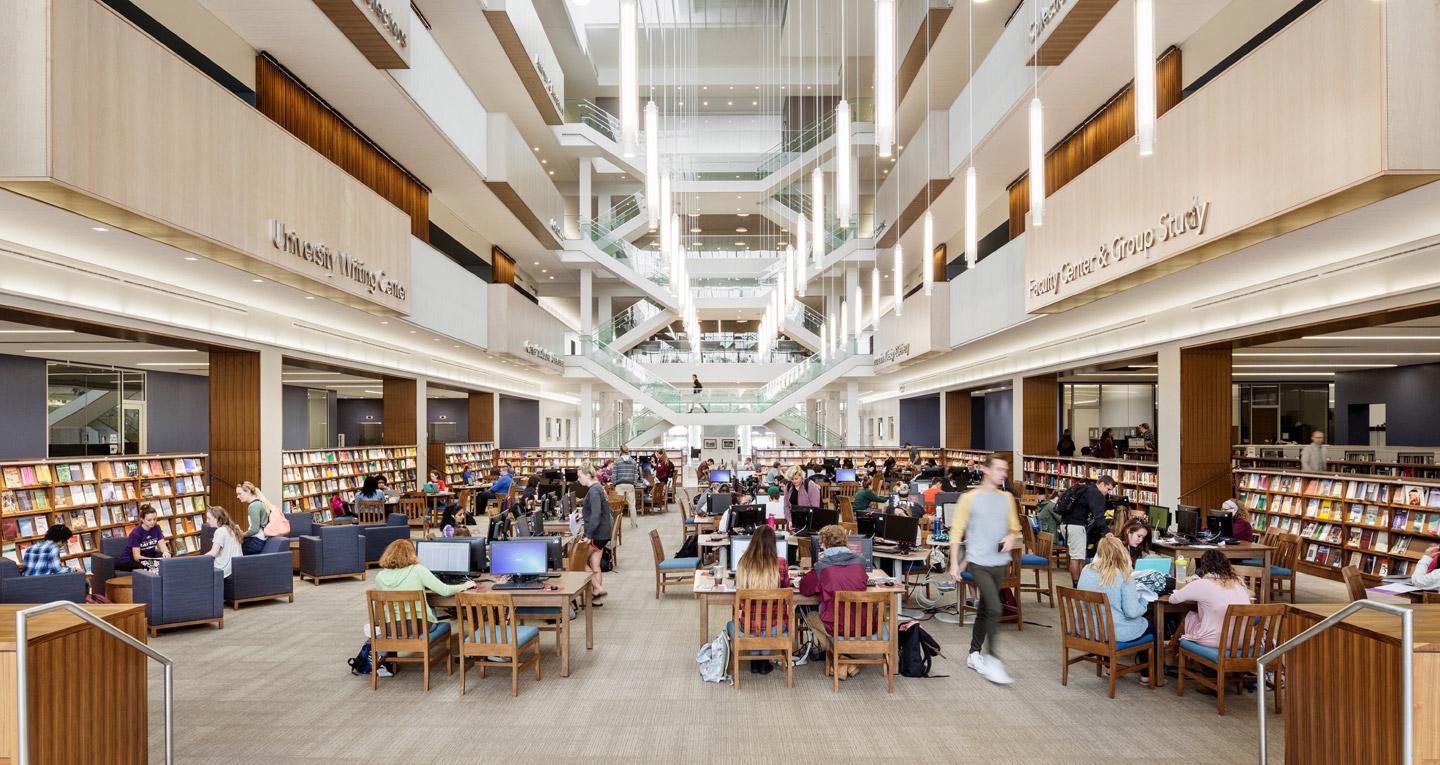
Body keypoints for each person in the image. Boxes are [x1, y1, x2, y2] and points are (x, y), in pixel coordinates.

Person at [948, 455, 1021, 685]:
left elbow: (1014, 527)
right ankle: (992, 659)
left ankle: (973, 653)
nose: (1004, 474)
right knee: (995, 606)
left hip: (999, 561)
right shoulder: (969, 498)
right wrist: (953, 563)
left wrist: (1010, 536)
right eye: (1000, 469)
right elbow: (956, 532)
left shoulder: (1007, 498)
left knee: (986, 608)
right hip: (978, 560)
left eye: (1006, 470)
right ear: (986, 470)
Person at [373, 538, 475, 672]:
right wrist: (466, 585)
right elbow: (444, 591)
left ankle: (388, 662)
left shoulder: (380, 576)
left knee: (426, 608)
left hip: (390, 627)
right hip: (419, 626)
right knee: (434, 616)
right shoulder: (418, 570)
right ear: (411, 554)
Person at [798, 524, 869, 680]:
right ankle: (846, 660)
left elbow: (804, 589)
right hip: (864, 624)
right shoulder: (860, 562)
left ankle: (840, 658)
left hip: (837, 626)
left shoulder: (822, 566)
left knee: (809, 614)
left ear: (824, 544)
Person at [733, 524, 790, 675]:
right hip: (775, 626)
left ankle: (755, 661)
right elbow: (785, 591)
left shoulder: (743, 563)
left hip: (748, 627)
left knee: (743, 624)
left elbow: (740, 601)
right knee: (771, 623)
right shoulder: (781, 563)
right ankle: (764, 660)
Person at [1167, 550, 1253, 648]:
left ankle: (1171, 652)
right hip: (1245, 641)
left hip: (1216, 641)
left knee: (1190, 617)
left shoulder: (1202, 584)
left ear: (1204, 567)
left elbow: (1173, 599)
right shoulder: (1239, 582)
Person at [1078, 536, 1151, 649]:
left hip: (1087, 629)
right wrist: (1143, 602)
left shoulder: (1086, 570)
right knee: (1151, 626)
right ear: (1121, 552)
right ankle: (1147, 666)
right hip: (1112, 632)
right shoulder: (1123, 575)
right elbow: (1131, 612)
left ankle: (1107, 662)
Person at [1059, 475, 1117, 582]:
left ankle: (1082, 583)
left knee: (1080, 557)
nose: (1108, 492)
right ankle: (1077, 586)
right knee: (1076, 558)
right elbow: (1098, 514)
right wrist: (1107, 531)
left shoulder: (1086, 488)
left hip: (1066, 524)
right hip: (1075, 526)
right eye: (1108, 489)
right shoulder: (1095, 493)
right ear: (1102, 484)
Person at [577, 464, 613, 600]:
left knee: (579, 561)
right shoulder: (598, 488)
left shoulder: (593, 491)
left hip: (598, 534)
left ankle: (597, 588)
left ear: (587, 475)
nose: (578, 480)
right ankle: (597, 599)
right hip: (602, 533)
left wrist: (588, 535)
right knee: (595, 564)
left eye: (580, 476)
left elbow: (596, 514)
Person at [118, 504, 170, 571]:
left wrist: (166, 553)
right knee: (153, 566)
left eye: (154, 519)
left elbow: (162, 545)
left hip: (149, 557)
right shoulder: (136, 533)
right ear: (142, 519)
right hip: (129, 561)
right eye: (149, 520)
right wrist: (154, 561)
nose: (153, 522)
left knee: (168, 560)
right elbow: (137, 557)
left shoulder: (157, 528)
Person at [204, 506, 244, 578]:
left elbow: (213, 553)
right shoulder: (234, 528)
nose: (207, 521)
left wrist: (199, 559)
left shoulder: (220, 531)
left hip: (225, 571)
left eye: (209, 518)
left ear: (216, 519)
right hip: (237, 568)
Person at [235, 480, 273, 555]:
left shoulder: (253, 506)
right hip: (259, 540)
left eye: (239, 494)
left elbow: (254, 530)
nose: (237, 496)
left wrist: (242, 535)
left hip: (256, 542)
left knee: (232, 546)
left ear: (248, 491)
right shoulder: (259, 503)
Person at [610, 447, 641, 529]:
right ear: (628, 452)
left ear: (621, 451)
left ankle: (617, 526)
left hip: (619, 485)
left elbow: (614, 474)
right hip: (630, 485)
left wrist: (614, 483)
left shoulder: (617, 461)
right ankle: (634, 524)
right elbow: (636, 474)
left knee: (618, 506)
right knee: (632, 505)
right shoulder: (633, 462)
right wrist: (634, 483)